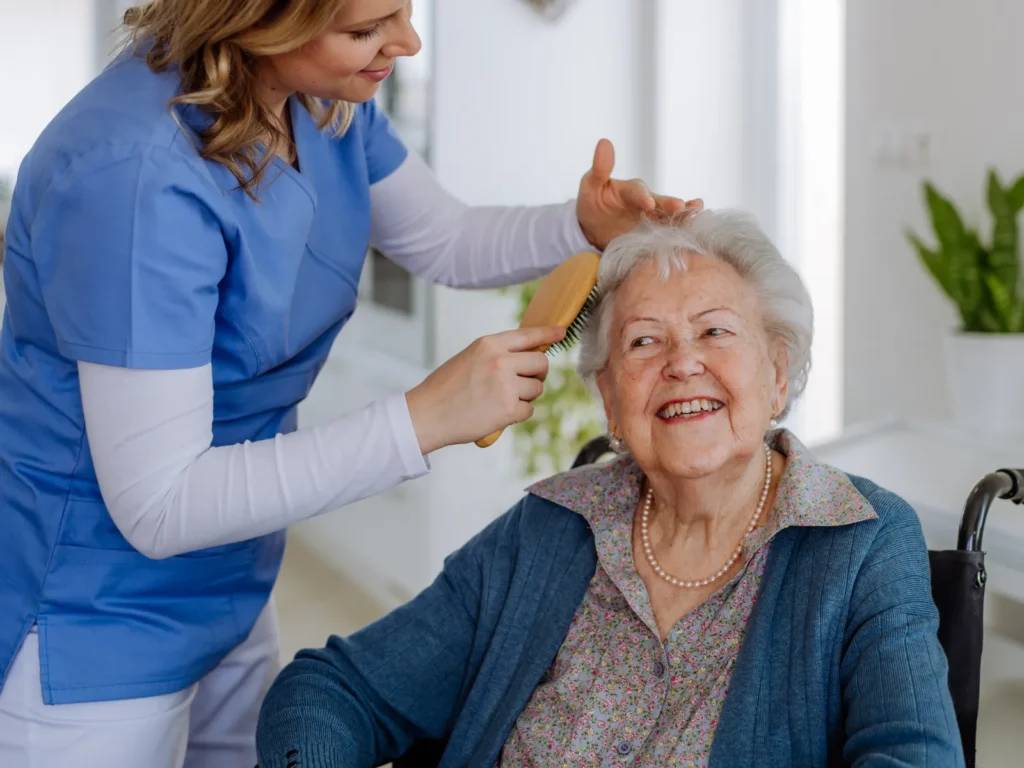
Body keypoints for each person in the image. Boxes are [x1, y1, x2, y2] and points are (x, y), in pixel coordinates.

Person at [0, 1, 696, 766]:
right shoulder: (131, 174)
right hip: (88, 613)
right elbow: (160, 505)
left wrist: (580, 225)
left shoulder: (316, 101)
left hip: (229, 571)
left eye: (404, 7)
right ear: (259, 21)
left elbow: (446, 239)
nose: (407, 41)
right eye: (368, 29)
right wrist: (424, 418)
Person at [255, 210, 964, 768]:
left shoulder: (862, 541)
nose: (684, 362)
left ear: (778, 373)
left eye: (715, 331)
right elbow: (333, 690)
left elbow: (914, 755)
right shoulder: (549, 528)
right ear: (610, 401)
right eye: (644, 342)